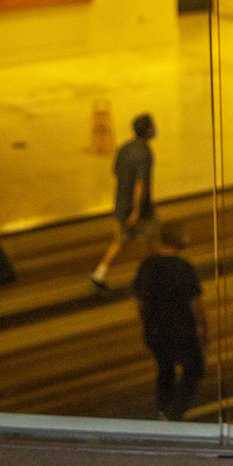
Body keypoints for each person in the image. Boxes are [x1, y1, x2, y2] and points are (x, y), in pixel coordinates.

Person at [132, 221, 207, 420]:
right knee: (194, 368)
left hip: (156, 329)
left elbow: (140, 300)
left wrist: (145, 325)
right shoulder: (184, 268)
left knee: (165, 369)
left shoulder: (147, 265)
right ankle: (175, 411)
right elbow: (195, 303)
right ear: (176, 240)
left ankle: (163, 409)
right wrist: (203, 327)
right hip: (182, 329)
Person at [90, 112, 157, 291]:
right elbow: (140, 184)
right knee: (152, 238)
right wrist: (136, 210)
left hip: (121, 204)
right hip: (139, 208)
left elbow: (115, 171)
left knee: (121, 241)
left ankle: (99, 274)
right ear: (148, 130)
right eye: (153, 126)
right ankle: (150, 277)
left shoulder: (125, 148)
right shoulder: (145, 153)